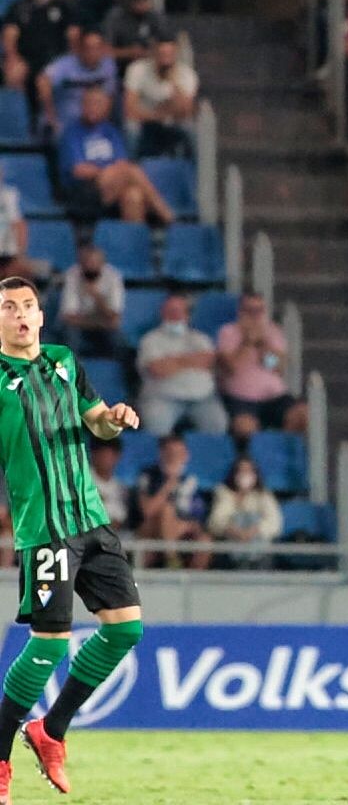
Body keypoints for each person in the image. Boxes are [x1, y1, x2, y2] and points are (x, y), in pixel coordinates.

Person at [0, 275, 143, 805]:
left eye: (28, 306)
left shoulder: (63, 360)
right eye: (9, 307)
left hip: (90, 518)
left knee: (126, 631)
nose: (20, 314)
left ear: (41, 316)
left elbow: (97, 426)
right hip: (45, 531)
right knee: (50, 643)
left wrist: (114, 418)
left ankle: (50, 730)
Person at [58, 87, 174, 225]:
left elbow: (121, 163)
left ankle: (133, 243)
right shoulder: (71, 133)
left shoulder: (111, 132)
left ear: (106, 107)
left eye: (98, 103)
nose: (92, 107)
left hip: (112, 187)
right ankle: (165, 214)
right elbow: (79, 170)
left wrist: (114, 172)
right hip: (83, 192)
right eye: (89, 103)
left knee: (133, 196)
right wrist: (108, 172)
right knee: (132, 171)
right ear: (82, 106)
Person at [216, 292, 307, 441]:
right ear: (240, 312)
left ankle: (285, 449)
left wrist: (261, 344)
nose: (254, 316)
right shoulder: (228, 332)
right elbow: (231, 368)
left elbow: (276, 367)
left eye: (258, 311)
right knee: (244, 427)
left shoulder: (273, 332)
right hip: (241, 399)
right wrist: (246, 343)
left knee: (302, 414)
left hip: (275, 398)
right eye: (249, 311)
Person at [136, 294, 228, 436]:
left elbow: (209, 360)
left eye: (179, 311)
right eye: (170, 311)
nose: (175, 315)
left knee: (219, 425)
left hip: (203, 398)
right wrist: (192, 360)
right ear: (162, 313)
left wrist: (173, 361)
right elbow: (158, 369)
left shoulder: (200, 338)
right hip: (163, 397)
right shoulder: (150, 340)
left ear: (187, 315)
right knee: (155, 427)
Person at [1, 0, 80, 94]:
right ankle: (19, 113)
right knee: (13, 72)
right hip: (27, 59)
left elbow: (73, 36)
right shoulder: (19, 7)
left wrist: (72, 61)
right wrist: (13, 59)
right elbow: (9, 36)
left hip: (57, 58)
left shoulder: (64, 6)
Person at [134, 433, 211, 570]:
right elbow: (148, 511)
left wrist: (185, 526)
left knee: (205, 540)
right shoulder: (148, 476)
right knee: (166, 511)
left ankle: (194, 582)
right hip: (151, 528)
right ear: (161, 454)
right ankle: (172, 560)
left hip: (181, 529)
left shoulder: (191, 481)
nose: (174, 458)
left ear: (186, 455)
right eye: (170, 453)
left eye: (179, 453)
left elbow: (196, 519)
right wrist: (170, 482)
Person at [123, 33, 198, 158]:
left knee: (189, 128)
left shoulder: (187, 75)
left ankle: (195, 172)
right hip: (144, 120)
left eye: (169, 54)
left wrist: (174, 82)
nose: (165, 59)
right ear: (154, 52)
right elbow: (130, 109)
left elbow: (186, 112)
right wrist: (157, 115)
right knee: (131, 128)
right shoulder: (137, 69)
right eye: (161, 54)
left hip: (172, 122)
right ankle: (130, 167)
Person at [37, 27, 116, 135]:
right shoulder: (65, 64)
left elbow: (108, 96)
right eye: (88, 48)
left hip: (93, 125)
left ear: (103, 49)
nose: (92, 52)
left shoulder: (108, 66)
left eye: (97, 48)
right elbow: (42, 81)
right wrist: (51, 117)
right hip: (64, 125)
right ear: (80, 49)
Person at [207, 457, 283, 569]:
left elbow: (275, 523)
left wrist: (253, 531)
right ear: (234, 474)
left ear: (255, 474)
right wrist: (234, 531)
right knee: (238, 519)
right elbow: (215, 522)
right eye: (241, 471)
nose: (244, 474)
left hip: (258, 546)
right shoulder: (223, 493)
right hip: (230, 544)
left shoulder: (264, 495)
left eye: (248, 471)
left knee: (253, 519)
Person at [57, 243, 124, 359]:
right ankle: (72, 375)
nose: (90, 266)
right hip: (80, 327)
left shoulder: (113, 277)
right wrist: (100, 323)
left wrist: (96, 296)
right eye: (87, 262)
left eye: (94, 263)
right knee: (71, 337)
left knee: (120, 342)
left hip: (101, 327)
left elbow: (114, 317)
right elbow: (68, 317)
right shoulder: (72, 276)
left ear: (102, 263)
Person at [102, 0, 167, 70]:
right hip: (120, 66)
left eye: (144, 1)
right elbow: (105, 51)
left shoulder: (154, 17)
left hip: (148, 66)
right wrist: (128, 52)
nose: (141, 6)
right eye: (138, 2)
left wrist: (147, 52)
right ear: (131, 0)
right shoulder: (116, 16)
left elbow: (165, 45)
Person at [88, 439, 128, 532]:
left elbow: (119, 519)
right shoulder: (81, 480)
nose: (105, 459)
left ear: (117, 457)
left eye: (108, 455)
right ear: (93, 455)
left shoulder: (119, 487)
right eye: (101, 454)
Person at [0, 170, 31, 280]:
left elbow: (19, 225)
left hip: (8, 255)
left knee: (21, 272)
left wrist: (20, 255)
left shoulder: (10, 196)